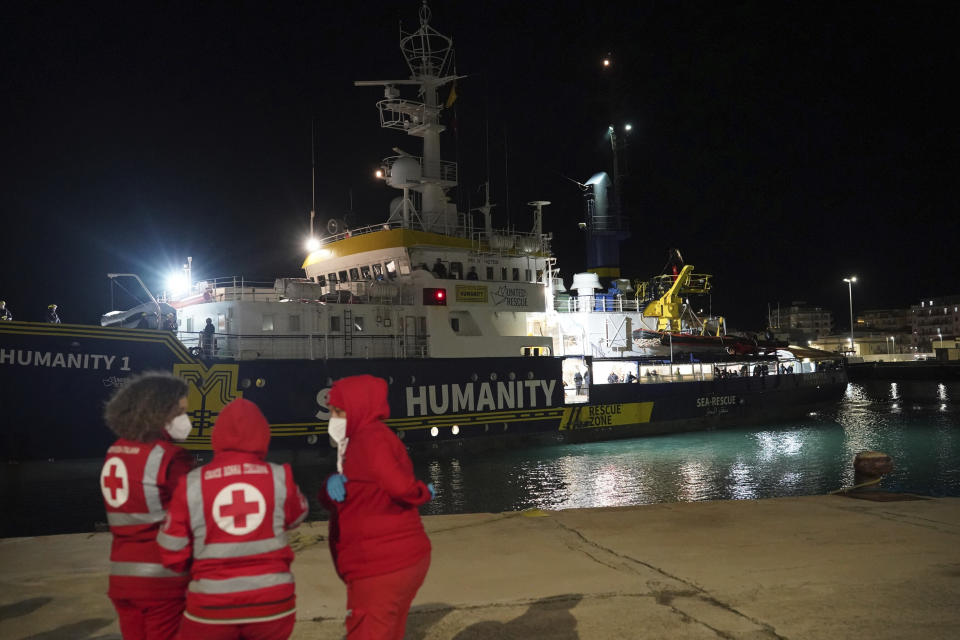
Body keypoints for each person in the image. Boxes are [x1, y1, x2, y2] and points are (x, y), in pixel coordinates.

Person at [158, 398, 309, 640]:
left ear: (218, 435)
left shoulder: (193, 483)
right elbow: (297, 516)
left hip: (211, 607)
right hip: (272, 605)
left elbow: (170, 549)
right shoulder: (280, 477)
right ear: (262, 433)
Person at [319, 375, 434, 640]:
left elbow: (397, 485)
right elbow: (356, 491)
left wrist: (421, 492)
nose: (333, 418)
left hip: (380, 567)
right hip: (392, 561)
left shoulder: (369, 441)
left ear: (357, 408)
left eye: (338, 411)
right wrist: (329, 487)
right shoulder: (361, 440)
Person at [100, 372, 195, 640]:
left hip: (121, 576)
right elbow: (193, 514)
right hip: (162, 579)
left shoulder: (115, 451)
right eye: (179, 412)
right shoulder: (171, 457)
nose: (184, 419)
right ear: (159, 411)